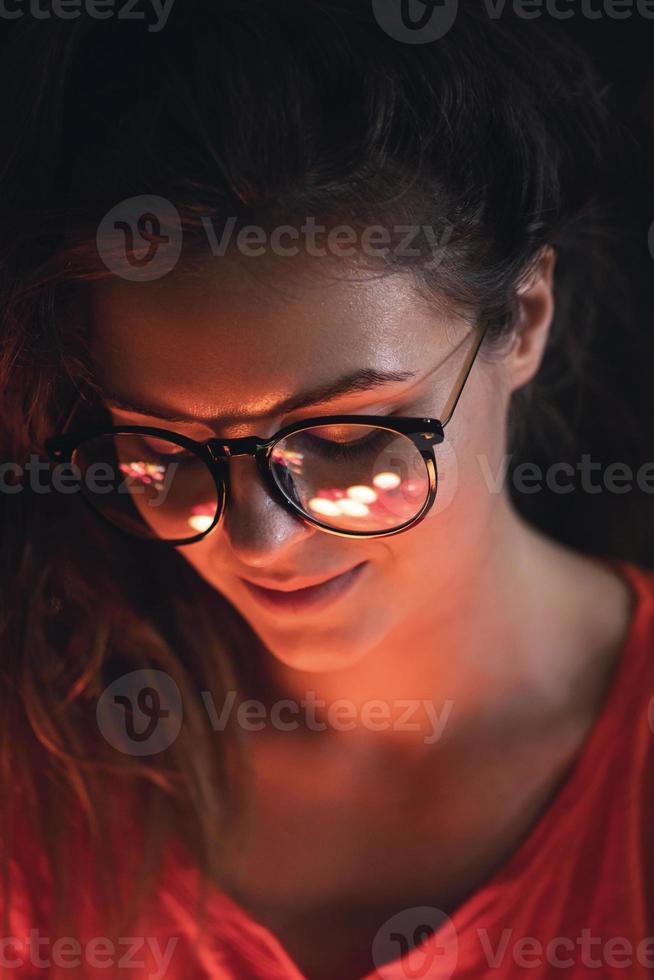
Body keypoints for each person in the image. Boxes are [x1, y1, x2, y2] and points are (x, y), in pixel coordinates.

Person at [0, 2, 652, 978]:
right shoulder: (48, 769)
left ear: (522, 318)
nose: (258, 537)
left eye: (347, 437)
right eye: (162, 452)